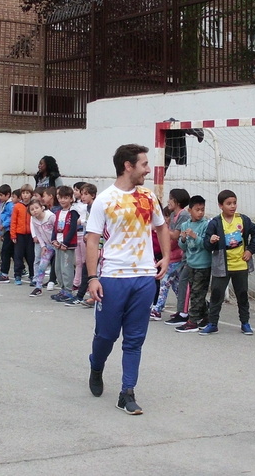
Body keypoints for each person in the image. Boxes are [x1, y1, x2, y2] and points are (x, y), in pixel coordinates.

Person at [86, 144, 170, 415]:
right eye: (144, 164)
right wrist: (92, 278)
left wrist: (166, 257)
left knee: (134, 339)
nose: (148, 169)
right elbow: (92, 240)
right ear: (128, 166)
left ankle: (127, 392)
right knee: (107, 336)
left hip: (144, 277)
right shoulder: (105, 199)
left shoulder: (148, 196)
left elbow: (161, 226)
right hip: (113, 278)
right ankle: (96, 366)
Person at [201, 189, 255, 335]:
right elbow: (206, 244)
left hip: (240, 264)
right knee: (216, 295)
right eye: (229, 203)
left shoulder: (243, 220)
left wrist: (250, 250)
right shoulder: (215, 223)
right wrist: (211, 241)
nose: (233, 206)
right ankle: (213, 323)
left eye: (234, 203)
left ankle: (245, 323)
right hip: (222, 266)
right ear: (220, 205)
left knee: (242, 295)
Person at [150, 188, 190, 322]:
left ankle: (157, 310)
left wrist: (160, 228)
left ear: (176, 201)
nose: (168, 201)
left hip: (179, 255)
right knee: (177, 285)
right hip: (172, 254)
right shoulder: (174, 215)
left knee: (164, 281)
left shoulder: (183, 215)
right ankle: (185, 309)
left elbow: (175, 235)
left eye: (170, 198)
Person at [175, 195, 212, 333]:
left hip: (203, 265)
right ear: (190, 210)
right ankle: (206, 315)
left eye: (202, 210)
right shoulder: (185, 225)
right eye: (197, 210)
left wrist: (195, 237)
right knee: (195, 293)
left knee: (197, 292)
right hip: (191, 263)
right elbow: (183, 247)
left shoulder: (206, 224)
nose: (200, 213)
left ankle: (193, 321)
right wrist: (183, 239)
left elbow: (206, 244)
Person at [50, 185, 80, 302]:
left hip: (67, 245)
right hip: (58, 243)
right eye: (61, 198)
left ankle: (68, 290)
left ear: (71, 199)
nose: (63, 200)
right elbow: (55, 228)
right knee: (58, 268)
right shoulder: (58, 212)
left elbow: (73, 229)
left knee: (66, 268)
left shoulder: (73, 212)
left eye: (66, 198)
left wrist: (66, 243)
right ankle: (62, 289)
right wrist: (54, 240)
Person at [28, 198, 55, 296]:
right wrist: (43, 245)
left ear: (42, 207)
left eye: (36, 208)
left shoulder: (50, 217)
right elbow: (38, 234)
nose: (35, 210)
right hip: (48, 245)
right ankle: (38, 287)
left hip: (58, 244)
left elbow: (58, 229)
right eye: (32, 209)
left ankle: (67, 289)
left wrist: (57, 241)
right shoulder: (34, 220)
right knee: (42, 266)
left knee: (61, 267)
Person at [11, 184, 35, 286]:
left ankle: (32, 275)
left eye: (27, 193)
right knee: (18, 255)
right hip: (19, 234)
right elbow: (13, 221)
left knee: (31, 256)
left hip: (30, 235)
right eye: (23, 193)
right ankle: (17, 274)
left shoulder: (33, 206)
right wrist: (13, 235)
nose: (25, 195)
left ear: (31, 194)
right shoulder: (17, 206)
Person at [0, 184, 15, 283]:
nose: (0, 197)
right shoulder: (4, 204)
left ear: (8, 195)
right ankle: (6, 271)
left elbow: (11, 217)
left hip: (10, 230)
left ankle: (5, 274)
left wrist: (4, 225)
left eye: (1, 195)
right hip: (5, 231)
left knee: (5, 252)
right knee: (9, 252)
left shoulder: (10, 205)